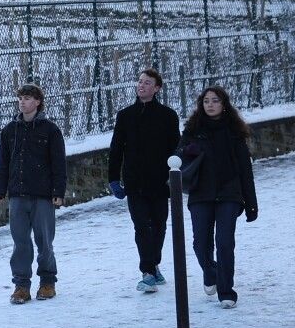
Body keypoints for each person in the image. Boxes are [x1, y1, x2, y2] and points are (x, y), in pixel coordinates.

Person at [177, 86, 258, 309]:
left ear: (224, 104)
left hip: (229, 193)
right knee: (200, 243)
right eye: (206, 101)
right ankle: (210, 270)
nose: (210, 105)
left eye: (215, 100)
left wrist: (251, 204)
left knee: (224, 242)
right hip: (200, 194)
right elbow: (177, 159)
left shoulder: (234, 132)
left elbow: (245, 170)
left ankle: (226, 291)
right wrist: (188, 152)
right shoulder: (192, 130)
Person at [107, 67, 181, 293]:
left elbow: (176, 149)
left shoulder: (168, 116)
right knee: (141, 226)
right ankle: (147, 272)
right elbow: (116, 149)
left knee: (158, 225)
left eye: (147, 82)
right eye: (140, 81)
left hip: (160, 181)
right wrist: (113, 178)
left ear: (157, 88)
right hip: (135, 182)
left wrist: (176, 176)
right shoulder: (126, 115)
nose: (142, 85)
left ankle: (154, 263)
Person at [0, 84, 67, 304]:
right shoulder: (10, 130)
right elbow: (3, 162)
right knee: (20, 242)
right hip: (17, 194)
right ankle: (21, 285)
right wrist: (1, 189)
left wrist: (58, 191)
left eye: (27, 98)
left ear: (37, 102)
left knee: (44, 241)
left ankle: (47, 281)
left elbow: (59, 163)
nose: (22, 102)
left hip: (42, 195)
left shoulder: (50, 130)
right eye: (20, 98)